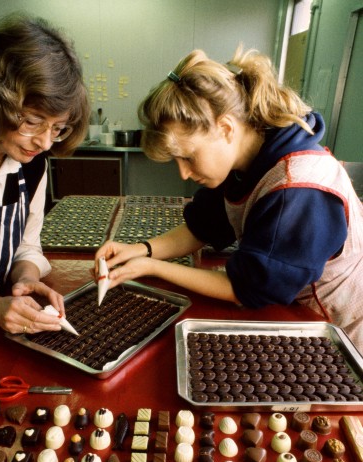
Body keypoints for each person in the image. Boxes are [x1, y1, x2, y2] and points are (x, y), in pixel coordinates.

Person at [95, 46, 363, 353]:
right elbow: (202, 228)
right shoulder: (246, 163)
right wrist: (142, 249)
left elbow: (246, 289)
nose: (183, 173)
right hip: (296, 310)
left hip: (342, 331)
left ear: (225, 128)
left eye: (188, 157)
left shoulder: (297, 189)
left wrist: (151, 267)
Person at [0, 13, 90, 334]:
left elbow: (26, 246)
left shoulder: (32, 163)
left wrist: (26, 278)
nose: (45, 141)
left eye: (58, 128)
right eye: (33, 121)